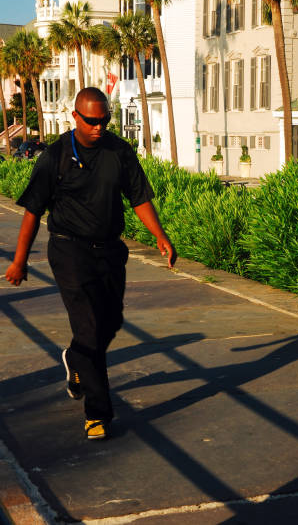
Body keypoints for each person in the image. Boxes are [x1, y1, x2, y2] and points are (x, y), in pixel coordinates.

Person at [5, 87, 177, 440]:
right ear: (76, 117)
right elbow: (33, 212)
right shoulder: (54, 157)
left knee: (110, 323)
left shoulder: (119, 151)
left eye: (105, 120)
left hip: (111, 251)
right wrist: (20, 261)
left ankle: (75, 361)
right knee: (90, 327)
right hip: (69, 251)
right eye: (92, 121)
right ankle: (97, 413)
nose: (99, 127)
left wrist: (160, 235)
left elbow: (139, 198)